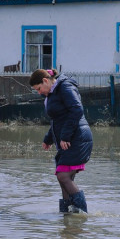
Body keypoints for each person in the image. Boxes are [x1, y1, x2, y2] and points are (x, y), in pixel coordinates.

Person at [29, 68, 93, 213]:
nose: (39, 93)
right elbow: (58, 120)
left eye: (39, 89)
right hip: (69, 138)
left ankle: (82, 214)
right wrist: (48, 139)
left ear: (46, 81)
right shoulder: (53, 92)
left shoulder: (65, 87)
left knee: (63, 176)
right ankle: (67, 215)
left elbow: (77, 109)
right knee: (63, 178)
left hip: (77, 138)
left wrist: (65, 136)